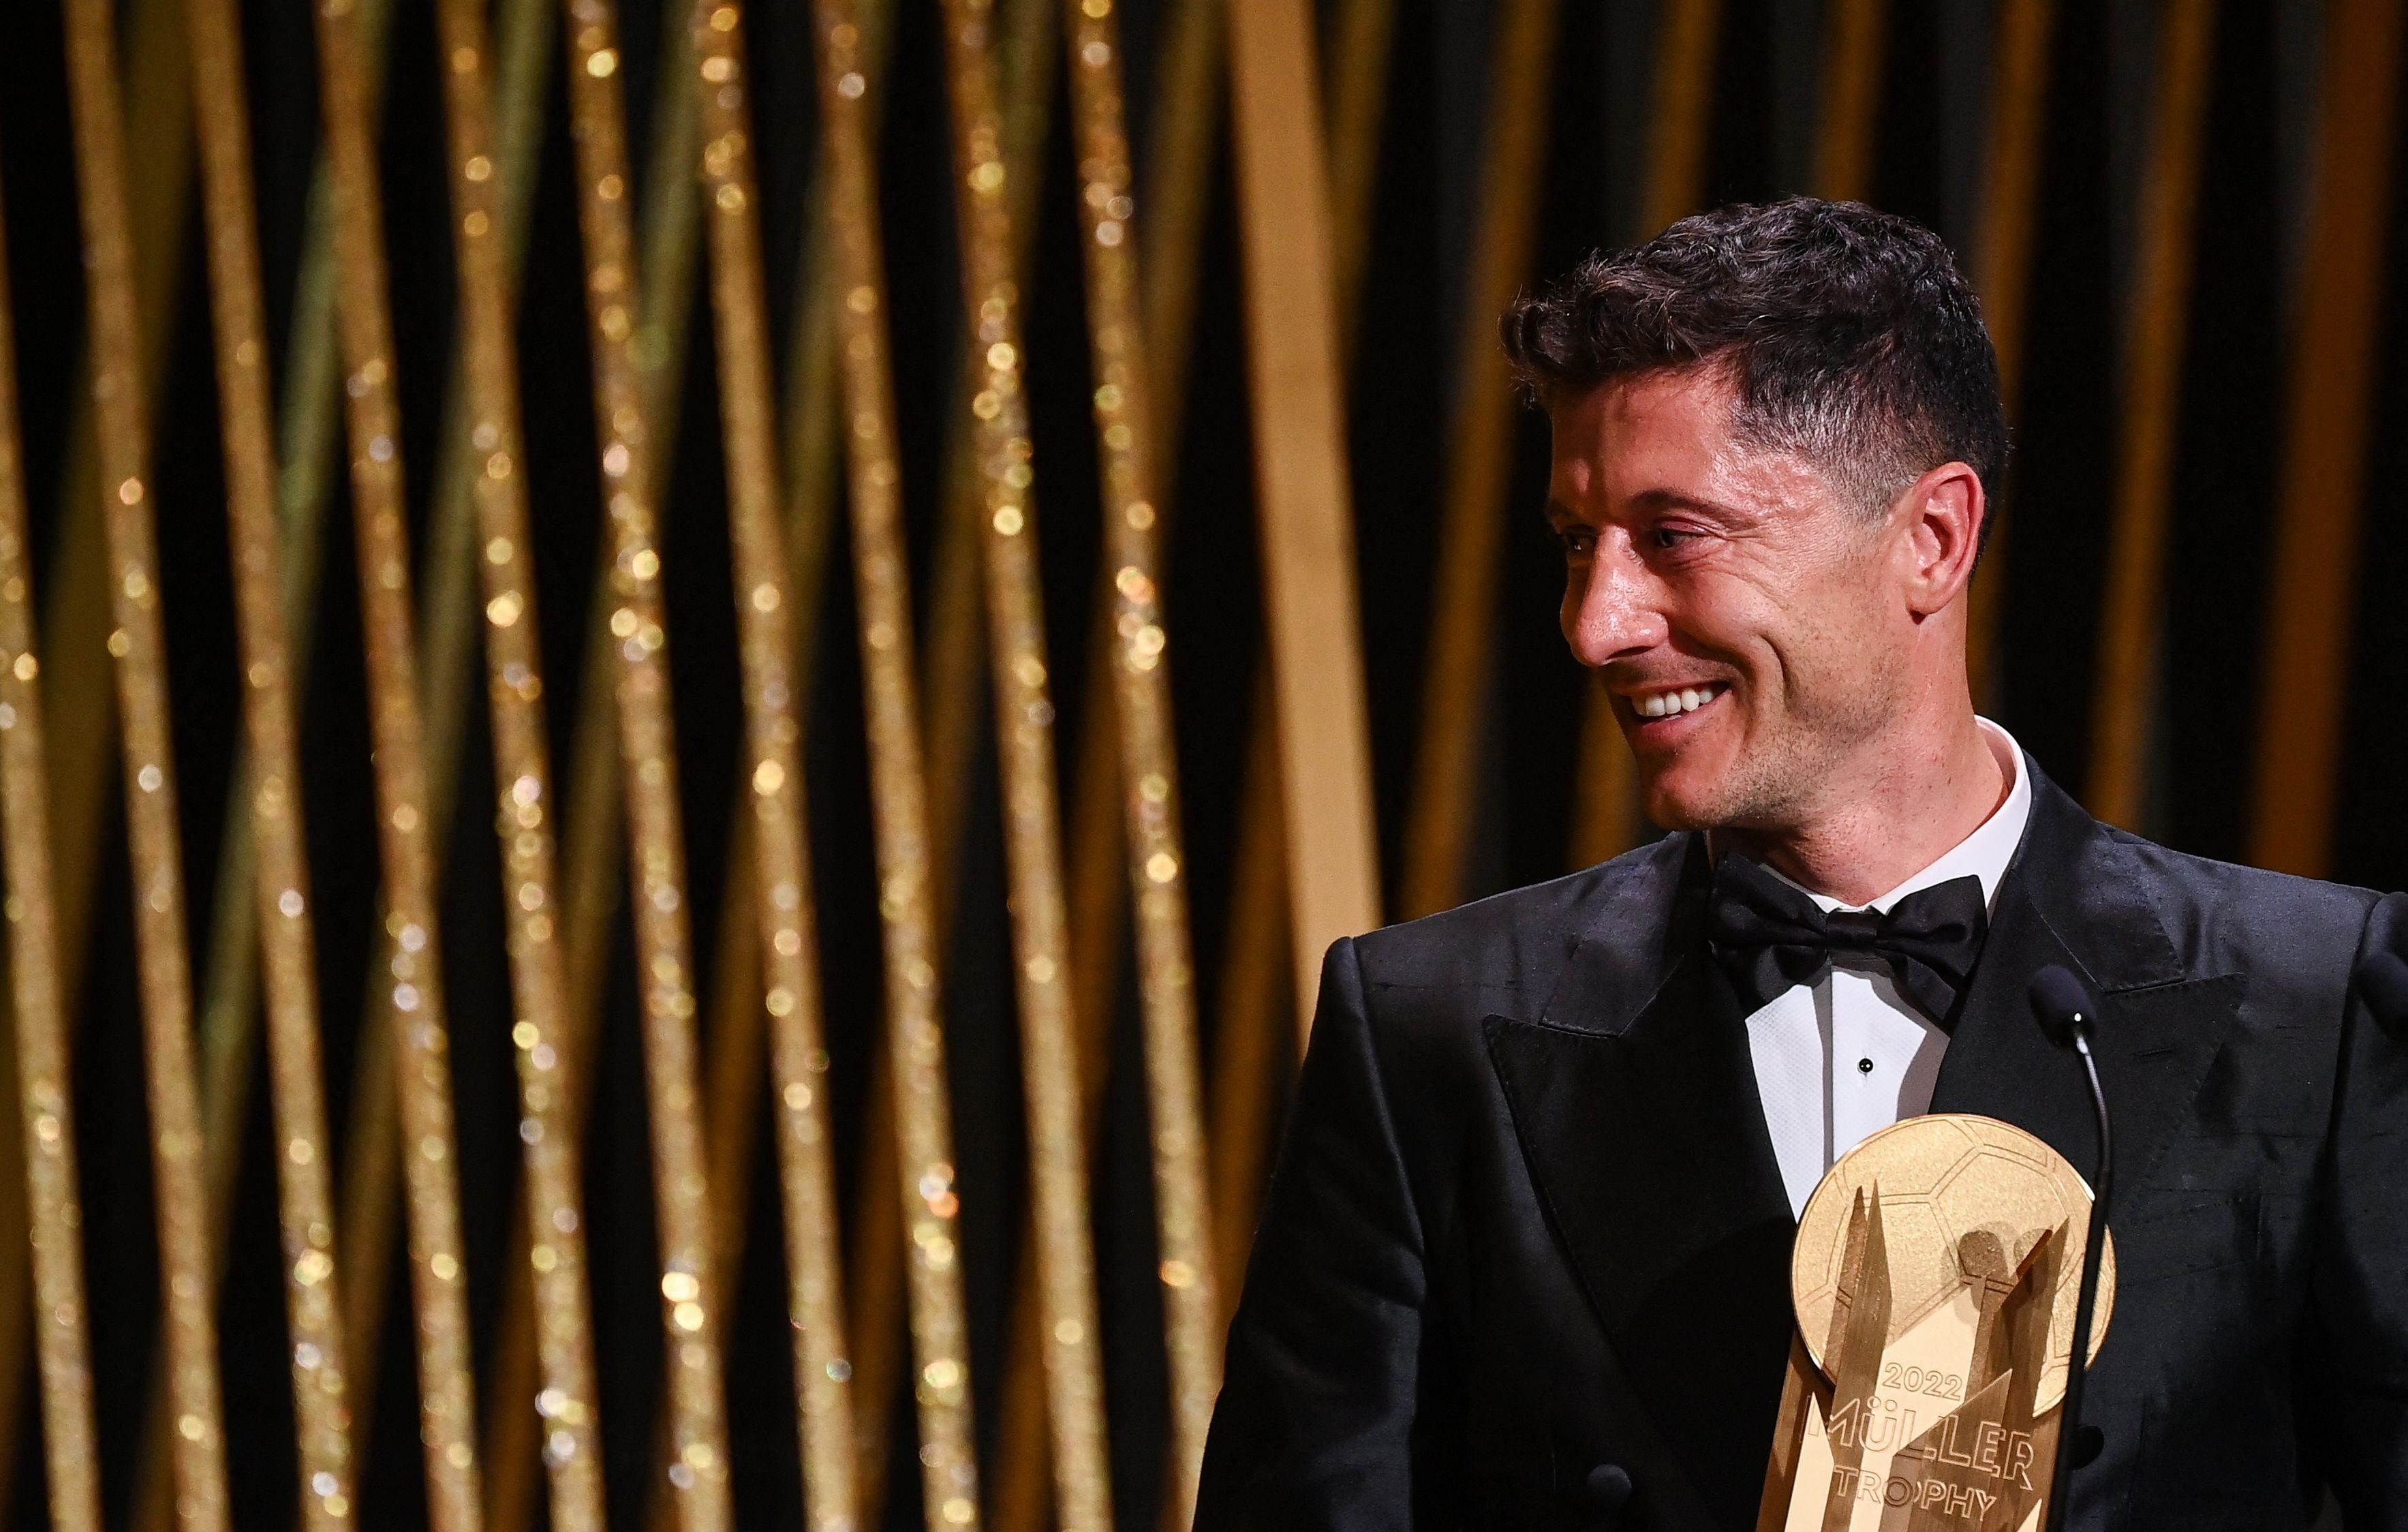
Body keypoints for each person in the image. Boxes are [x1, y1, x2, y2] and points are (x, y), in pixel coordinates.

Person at [1193, 198, 2408, 1531]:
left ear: (1932, 539)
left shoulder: (2316, 1004)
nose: (1598, 622)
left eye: (1675, 534)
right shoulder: (1426, 1025)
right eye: (1576, 541)